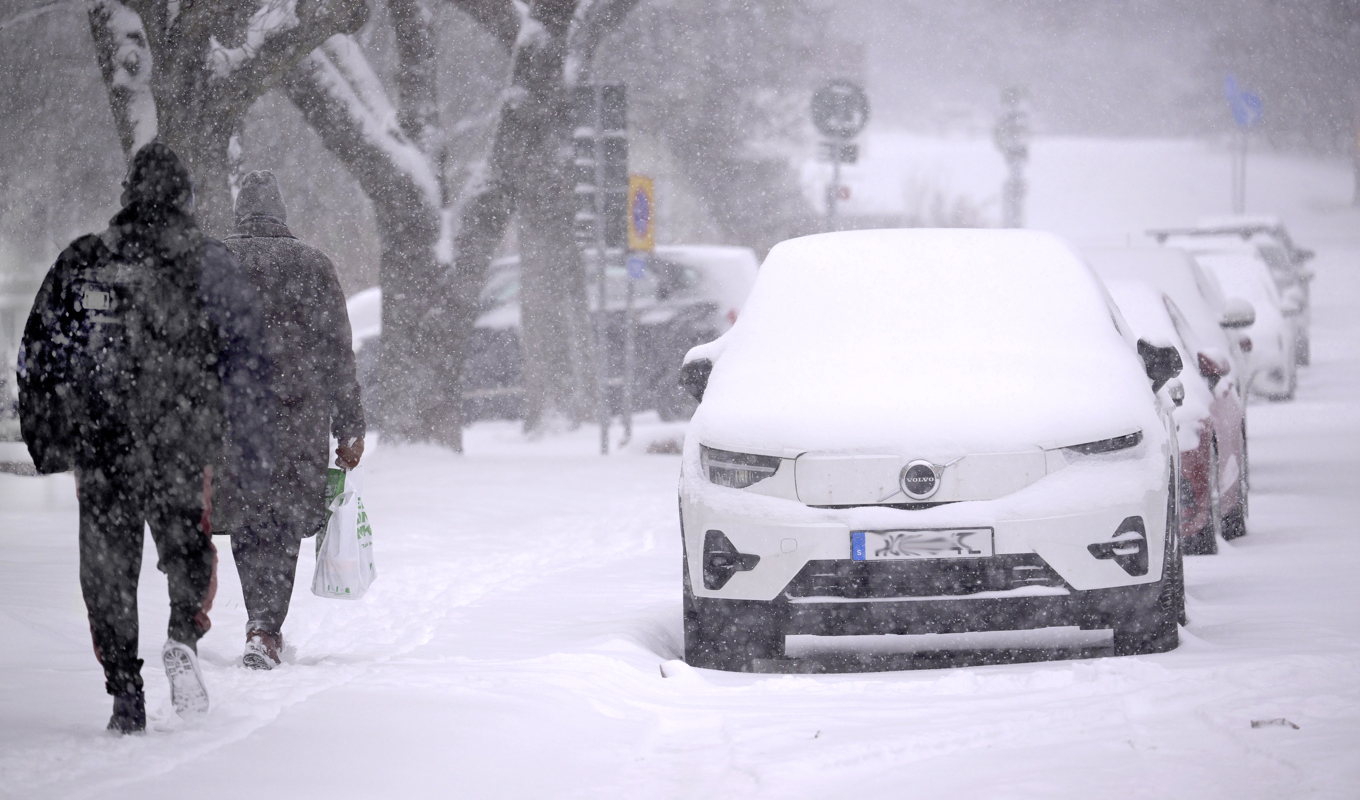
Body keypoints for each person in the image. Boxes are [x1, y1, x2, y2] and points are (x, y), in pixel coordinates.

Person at [17, 142, 265, 734]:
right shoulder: (208, 264)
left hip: (101, 446)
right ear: (185, 197)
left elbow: (37, 356)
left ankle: (124, 690)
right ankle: (184, 631)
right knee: (189, 547)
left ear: (127, 195)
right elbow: (249, 355)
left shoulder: (83, 261)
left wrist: (49, 440)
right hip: (181, 439)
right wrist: (243, 436)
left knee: (106, 567)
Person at [215, 170, 365, 670]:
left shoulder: (215, 262)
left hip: (234, 421)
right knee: (279, 526)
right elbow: (337, 352)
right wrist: (350, 425)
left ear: (241, 212)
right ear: (281, 213)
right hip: (297, 421)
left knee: (246, 521)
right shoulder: (313, 265)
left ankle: (258, 620)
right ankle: (265, 627)